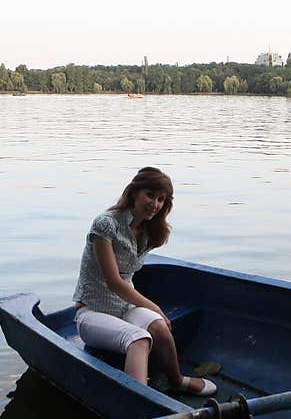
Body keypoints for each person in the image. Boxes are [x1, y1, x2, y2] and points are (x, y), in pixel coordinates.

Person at [72, 167, 217, 396]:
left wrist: (154, 313)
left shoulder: (148, 231)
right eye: (150, 195)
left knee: (159, 327)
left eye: (161, 199)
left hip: (124, 308)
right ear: (134, 192)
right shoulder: (106, 224)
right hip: (92, 312)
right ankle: (140, 401)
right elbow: (113, 282)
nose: (155, 204)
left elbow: (127, 277)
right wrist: (155, 307)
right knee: (139, 338)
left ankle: (177, 381)